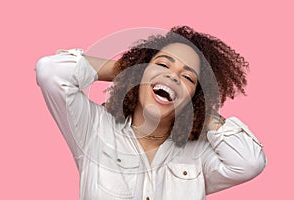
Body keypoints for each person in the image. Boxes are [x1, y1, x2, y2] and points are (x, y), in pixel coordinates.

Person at [35, 26, 266, 200]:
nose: (173, 76)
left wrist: (200, 111)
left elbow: (249, 163)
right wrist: (128, 70)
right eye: (163, 64)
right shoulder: (95, 131)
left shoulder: (198, 156)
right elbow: (51, 72)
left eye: (187, 77)